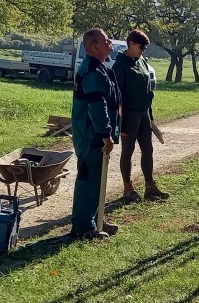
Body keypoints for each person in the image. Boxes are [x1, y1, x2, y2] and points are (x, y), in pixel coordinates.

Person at [71, 28, 121, 239]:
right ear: (93, 46)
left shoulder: (99, 68)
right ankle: (83, 227)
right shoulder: (92, 70)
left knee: (97, 178)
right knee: (89, 178)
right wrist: (105, 133)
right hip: (91, 134)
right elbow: (96, 105)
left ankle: (96, 220)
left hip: (95, 133)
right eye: (107, 40)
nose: (111, 44)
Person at [113, 29, 169, 203]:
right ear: (131, 43)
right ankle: (127, 188)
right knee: (128, 151)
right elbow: (117, 95)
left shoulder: (142, 61)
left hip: (144, 113)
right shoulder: (120, 65)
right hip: (129, 116)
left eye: (145, 47)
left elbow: (147, 90)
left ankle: (150, 186)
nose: (143, 50)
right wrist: (120, 122)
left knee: (148, 150)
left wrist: (150, 116)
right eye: (141, 46)